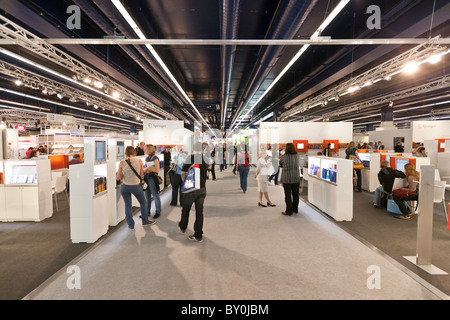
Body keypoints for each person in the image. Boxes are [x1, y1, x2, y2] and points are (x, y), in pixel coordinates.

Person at [116, 146, 156, 229]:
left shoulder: (122, 162)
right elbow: (141, 175)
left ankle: (131, 225)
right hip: (136, 187)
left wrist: (125, 175)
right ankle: (145, 221)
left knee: (127, 205)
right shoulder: (139, 161)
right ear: (134, 152)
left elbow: (118, 177)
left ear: (126, 153)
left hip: (124, 187)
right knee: (143, 203)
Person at [179, 142, 208, 242]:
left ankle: (183, 226)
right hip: (202, 189)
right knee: (199, 212)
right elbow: (206, 173)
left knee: (186, 209)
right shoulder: (205, 159)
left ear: (193, 148)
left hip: (191, 188)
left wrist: (185, 184)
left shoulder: (190, 158)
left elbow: (183, 173)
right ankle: (198, 235)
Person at [280, 143, 300, 216]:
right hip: (296, 178)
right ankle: (295, 209)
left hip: (287, 179)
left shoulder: (284, 157)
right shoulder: (297, 155)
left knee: (288, 195)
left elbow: (280, 164)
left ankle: (289, 211)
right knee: (296, 194)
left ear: (286, 149)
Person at [144, 144, 162, 219]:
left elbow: (157, 170)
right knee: (147, 197)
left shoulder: (155, 158)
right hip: (147, 178)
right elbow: (145, 168)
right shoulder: (147, 158)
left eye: (145, 149)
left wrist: (148, 169)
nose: (144, 150)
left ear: (149, 149)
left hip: (152, 178)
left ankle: (158, 212)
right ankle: (147, 212)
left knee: (155, 195)